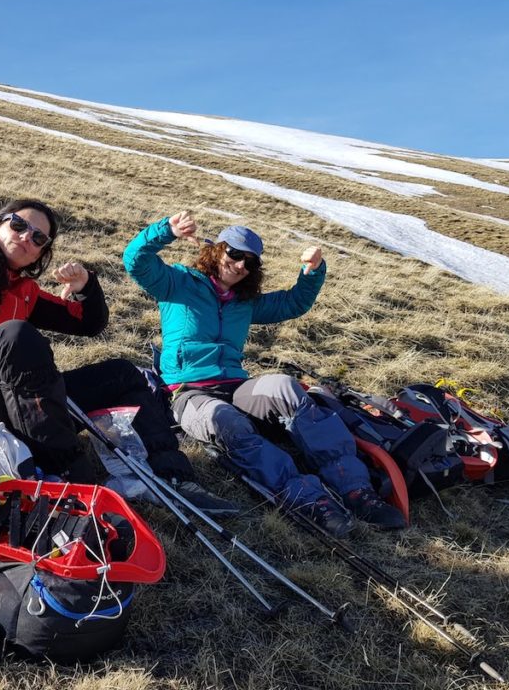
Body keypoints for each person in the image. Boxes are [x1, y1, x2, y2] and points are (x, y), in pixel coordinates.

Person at [0, 199, 236, 515]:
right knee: (14, 336)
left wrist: (87, 286)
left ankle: (171, 477)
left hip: (2, 409)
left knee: (122, 374)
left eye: (38, 237)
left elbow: (88, 323)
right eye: (18, 225)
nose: (25, 237)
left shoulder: (23, 292)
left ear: (41, 252)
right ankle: (69, 471)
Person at [123, 211, 405, 536]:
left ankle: (357, 490)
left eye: (251, 262)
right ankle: (310, 500)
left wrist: (312, 271)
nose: (241, 265)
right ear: (217, 250)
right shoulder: (177, 283)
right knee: (227, 422)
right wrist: (165, 231)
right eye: (235, 254)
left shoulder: (245, 303)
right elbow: (135, 260)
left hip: (238, 387)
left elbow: (293, 303)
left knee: (285, 387)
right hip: (190, 393)